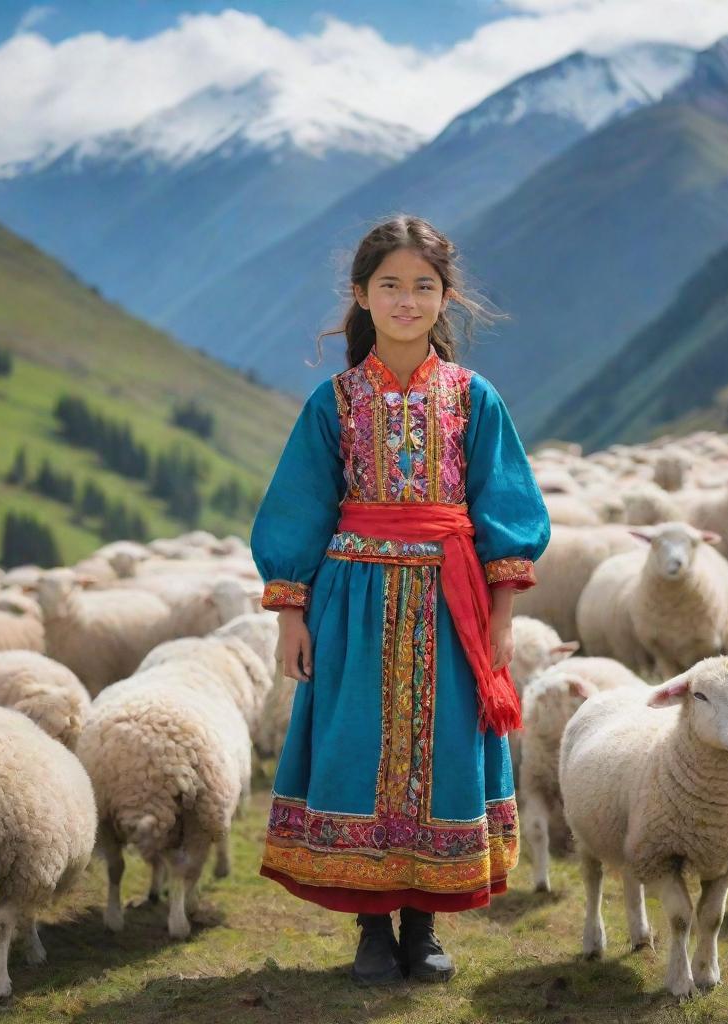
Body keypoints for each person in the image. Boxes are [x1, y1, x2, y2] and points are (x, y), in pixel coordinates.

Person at [250, 214, 551, 985]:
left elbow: (504, 507)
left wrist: (500, 618)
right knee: (359, 749)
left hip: (451, 604)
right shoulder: (337, 401)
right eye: (391, 286)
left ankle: (423, 927)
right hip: (352, 598)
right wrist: (292, 612)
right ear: (361, 295)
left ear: (445, 297)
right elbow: (298, 507)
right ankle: (371, 928)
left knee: (442, 747)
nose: (407, 300)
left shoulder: (473, 398)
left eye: (423, 286)